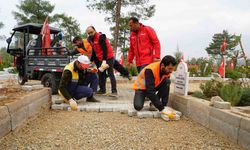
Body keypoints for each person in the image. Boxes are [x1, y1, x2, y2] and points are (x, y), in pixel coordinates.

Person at [86, 26, 118, 96]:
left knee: (110, 73)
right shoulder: (90, 39)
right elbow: (94, 50)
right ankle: (102, 89)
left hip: (108, 57)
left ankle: (114, 91)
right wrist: (91, 60)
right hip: (100, 58)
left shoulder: (101, 37)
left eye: (91, 32)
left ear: (95, 30)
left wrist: (104, 61)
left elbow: (104, 49)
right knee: (100, 74)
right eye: (89, 33)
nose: (90, 34)